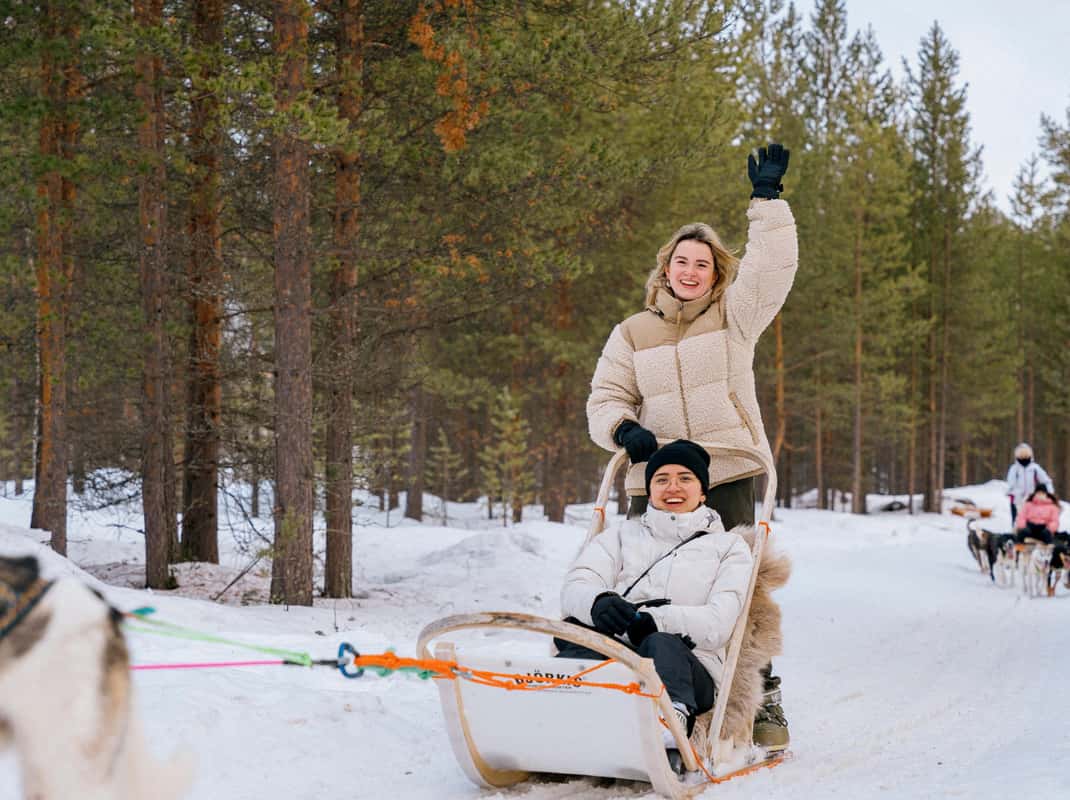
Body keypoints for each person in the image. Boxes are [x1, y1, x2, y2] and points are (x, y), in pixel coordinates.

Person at [585, 143, 796, 750]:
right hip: (653, 479)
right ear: (665, 268)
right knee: (637, 584)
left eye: (703, 263)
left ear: (716, 272)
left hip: (727, 470)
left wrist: (767, 202)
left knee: (733, 589)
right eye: (682, 260)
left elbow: (773, 267)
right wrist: (623, 431)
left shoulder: (736, 316)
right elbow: (606, 397)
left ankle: (760, 692)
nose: (691, 270)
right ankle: (637, 686)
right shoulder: (632, 332)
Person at [557, 440, 752, 758]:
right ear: (649, 491)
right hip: (620, 651)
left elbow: (719, 622)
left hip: (690, 667)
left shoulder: (729, 547)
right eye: (662, 479)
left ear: (702, 492)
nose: (672, 487)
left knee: (659, 643)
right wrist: (598, 603)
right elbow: (577, 584)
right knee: (577, 637)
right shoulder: (619, 536)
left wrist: (655, 622)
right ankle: (556, 713)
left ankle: (668, 726)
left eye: (685, 478)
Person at [1005, 443, 1053, 524]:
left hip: (1032, 499)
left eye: (1025, 454)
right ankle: (1016, 534)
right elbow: (1010, 485)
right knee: (1017, 521)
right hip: (1017, 500)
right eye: (1021, 454)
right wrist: (1015, 494)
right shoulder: (1014, 469)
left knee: (1032, 520)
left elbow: (1046, 481)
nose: (1023, 456)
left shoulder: (1035, 468)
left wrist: (1049, 494)